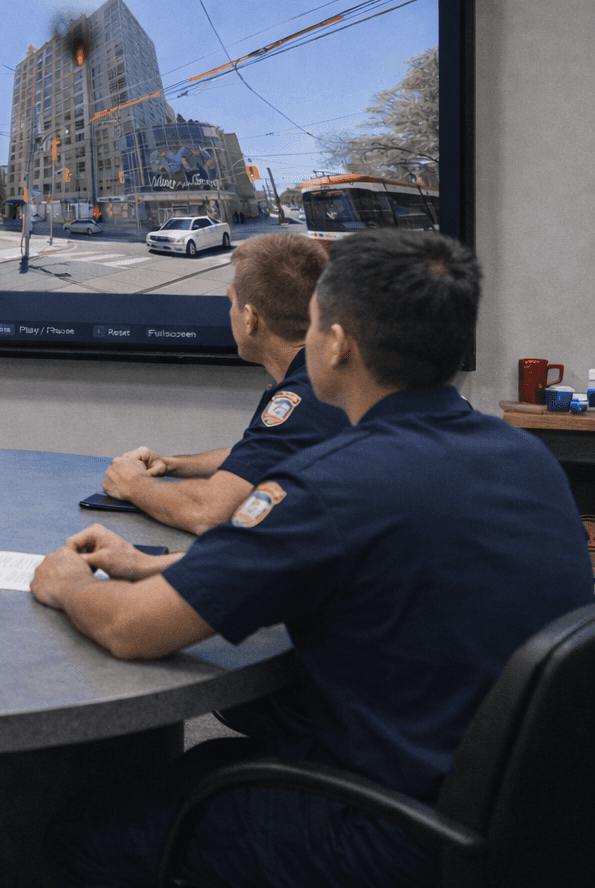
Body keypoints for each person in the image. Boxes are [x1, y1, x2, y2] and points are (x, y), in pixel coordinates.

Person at [31, 229, 594, 888]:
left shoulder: (328, 486)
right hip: (535, 822)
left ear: (337, 343)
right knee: (203, 766)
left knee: (87, 832)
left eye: (317, 320)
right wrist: (155, 566)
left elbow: (133, 628)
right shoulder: (526, 457)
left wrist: (68, 585)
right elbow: (386, 567)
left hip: (397, 835)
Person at [101, 233, 348, 533]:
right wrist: (172, 464)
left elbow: (209, 512)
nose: (229, 311)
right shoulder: (323, 374)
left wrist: (132, 484)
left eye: (231, 301)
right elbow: (261, 454)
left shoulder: (306, 397)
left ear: (250, 319)